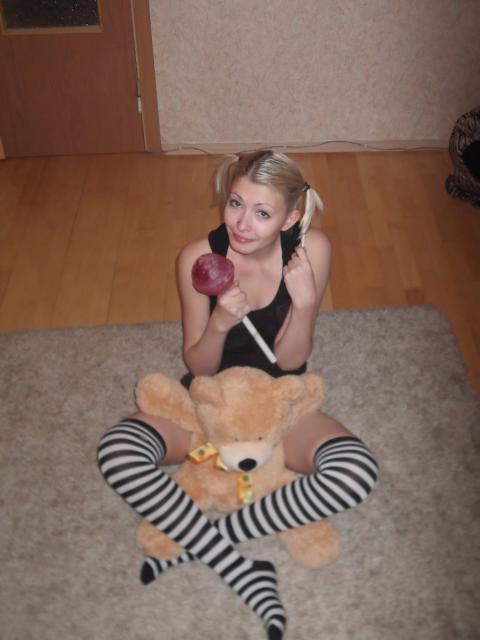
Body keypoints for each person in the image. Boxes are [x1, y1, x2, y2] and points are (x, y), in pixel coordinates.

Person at [97, 150, 379, 640]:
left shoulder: (312, 250)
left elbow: (290, 361)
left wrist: (305, 304)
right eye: (235, 204)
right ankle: (242, 570)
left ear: (289, 218)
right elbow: (199, 366)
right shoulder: (196, 258)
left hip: (278, 405)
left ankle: (200, 543)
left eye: (262, 213)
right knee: (117, 452)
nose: (242, 224)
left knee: (355, 471)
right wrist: (220, 323)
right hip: (208, 404)